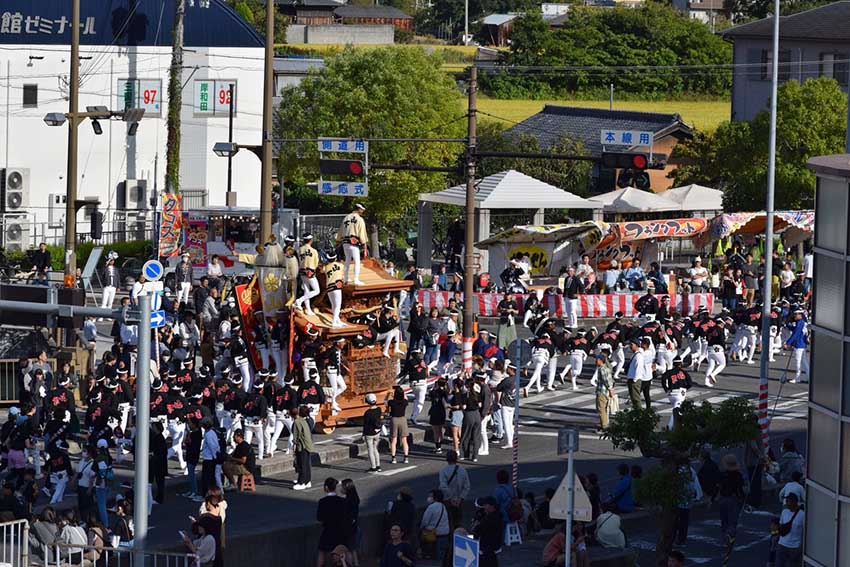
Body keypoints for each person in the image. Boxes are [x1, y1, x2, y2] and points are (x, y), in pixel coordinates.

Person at [716, 454, 745, 564]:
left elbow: (717, 488)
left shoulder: (722, 475)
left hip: (723, 499)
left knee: (724, 520)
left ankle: (724, 537)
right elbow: (740, 490)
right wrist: (742, 499)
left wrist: (713, 498)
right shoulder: (738, 476)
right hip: (733, 499)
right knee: (733, 521)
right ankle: (730, 537)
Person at [317, 477, 351, 567]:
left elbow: (319, 517)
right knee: (343, 553)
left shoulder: (322, 502)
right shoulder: (342, 501)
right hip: (340, 532)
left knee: (322, 552)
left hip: (328, 531)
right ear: (335, 488)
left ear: (326, 488)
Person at [337, 203, 369, 286]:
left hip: (345, 242)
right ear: (359, 209)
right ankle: (356, 280)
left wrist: (338, 241)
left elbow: (340, 230)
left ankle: (346, 278)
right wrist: (365, 246)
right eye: (362, 210)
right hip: (354, 243)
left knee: (347, 260)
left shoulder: (346, 217)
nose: (362, 212)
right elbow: (362, 234)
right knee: (357, 261)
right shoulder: (359, 219)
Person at [439, 450, 470, 532]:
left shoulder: (443, 471)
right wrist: (460, 498)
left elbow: (443, 486)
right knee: (459, 522)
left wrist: (451, 498)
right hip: (459, 501)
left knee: (448, 522)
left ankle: (450, 541)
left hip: (448, 500)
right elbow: (467, 486)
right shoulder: (463, 470)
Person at [419, 489, 450, 561]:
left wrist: (421, 528)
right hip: (444, 534)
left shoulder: (431, 507)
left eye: (430, 496)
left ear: (435, 498)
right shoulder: (443, 506)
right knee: (442, 555)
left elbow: (425, 521)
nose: (428, 498)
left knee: (433, 555)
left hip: (432, 534)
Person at [775, 493, 804, 567]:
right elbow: (780, 526)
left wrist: (801, 547)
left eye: (788, 501)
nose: (786, 503)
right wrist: (777, 538)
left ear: (795, 502)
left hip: (794, 548)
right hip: (782, 544)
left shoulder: (802, 515)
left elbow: (805, 532)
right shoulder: (784, 512)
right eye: (786, 501)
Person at [473, 497, 504, 567]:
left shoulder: (490, 518)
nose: (484, 507)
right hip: (492, 548)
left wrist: (477, 525)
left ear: (491, 506)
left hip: (487, 549)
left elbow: (477, 531)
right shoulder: (497, 515)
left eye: (485, 505)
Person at [783, 309, 809, 383]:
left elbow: (795, 334)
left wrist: (788, 343)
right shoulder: (802, 323)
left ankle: (798, 378)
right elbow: (795, 330)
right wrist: (788, 325)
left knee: (798, 361)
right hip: (802, 344)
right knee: (804, 362)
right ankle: (808, 377)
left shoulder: (800, 323)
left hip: (799, 344)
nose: (794, 316)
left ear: (800, 315)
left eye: (796, 314)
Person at [293, 406, 315, 490]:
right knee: (307, 464)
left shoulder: (297, 421)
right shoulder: (309, 420)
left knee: (301, 464)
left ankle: (301, 482)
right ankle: (307, 481)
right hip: (308, 444)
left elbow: (296, 435)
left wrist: (294, 445)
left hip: (301, 445)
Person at [340, 479, 361, 567]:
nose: (341, 489)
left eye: (342, 487)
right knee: (353, 550)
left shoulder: (347, 501)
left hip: (348, 529)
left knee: (348, 550)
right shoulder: (355, 499)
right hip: (353, 527)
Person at [386, 386, 410, 465]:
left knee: (394, 440)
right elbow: (406, 398)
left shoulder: (392, 402)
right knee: (404, 440)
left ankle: (393, 458)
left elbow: (386, 401)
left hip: (394, 420)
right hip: (403, 419)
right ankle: (406, 457)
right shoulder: (404, 402)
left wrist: (390, 393)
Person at [362, 394, 383, 473]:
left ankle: (373, 467)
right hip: (377, 432)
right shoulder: (379, 409)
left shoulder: (367, 412)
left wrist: (363, 434)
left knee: (370, 450)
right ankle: (378, 466)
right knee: (375, 449)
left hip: (369, 433)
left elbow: (365, 424)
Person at [594, 353, 615, 430]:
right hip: (604, 392)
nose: (596, 361)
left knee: (601, 409)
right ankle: (603, 423)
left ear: (601, 361)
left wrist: (610, 389)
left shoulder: (603, 369)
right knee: (603, 409)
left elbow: (607, 381)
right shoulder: (605, 368)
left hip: (602, 392)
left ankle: (604, 426)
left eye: (597, 359)